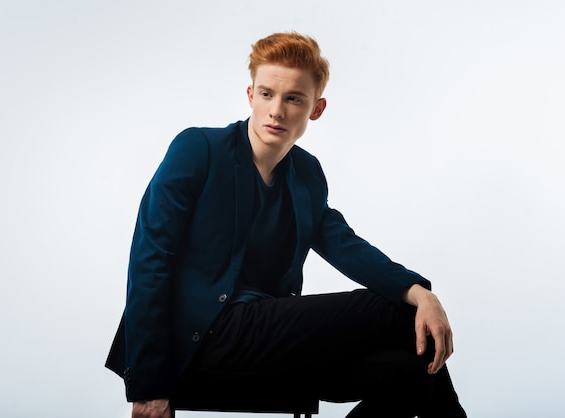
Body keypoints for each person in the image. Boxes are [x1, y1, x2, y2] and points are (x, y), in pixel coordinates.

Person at [105, 31, 467, 418]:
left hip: (270, 339)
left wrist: (418, 291)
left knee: (412, 372)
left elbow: (344, 244)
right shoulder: (198, 150)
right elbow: (149, 262)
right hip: (203, 336)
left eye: (293, 98)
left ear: (316, 108)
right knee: (400, 315)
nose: (276, 110)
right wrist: (147, 385)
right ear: (250, 96)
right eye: (266, 94)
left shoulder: (307, 174)